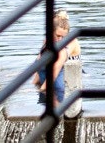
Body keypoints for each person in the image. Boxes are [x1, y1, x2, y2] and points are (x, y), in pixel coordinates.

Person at [35, 8, 84, 139]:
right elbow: (38, 64)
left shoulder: (70, 42)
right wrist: (35, 84)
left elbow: (57, 66)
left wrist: (42, 89)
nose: (60, 38)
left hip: (66, 77)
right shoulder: (47, 41)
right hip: (52, 78)